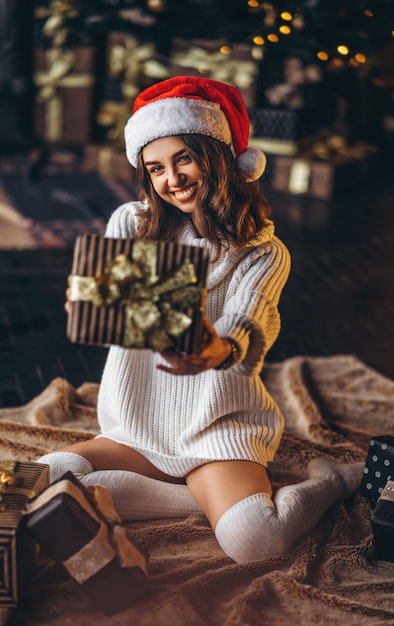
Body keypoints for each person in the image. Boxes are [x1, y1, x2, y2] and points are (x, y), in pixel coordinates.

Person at [37, 76, 364, 563]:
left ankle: (331, 481)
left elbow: (248, 324)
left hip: (216, 426)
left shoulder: (263, 252)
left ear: (217, 156)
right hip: (137, 423)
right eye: (156, 168)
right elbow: (110, 316)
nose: (173, 179)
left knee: (255, 540)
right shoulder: (131, 224)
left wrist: (219, 349)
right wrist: (86, 302)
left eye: (184, 158)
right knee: (41, 477)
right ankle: (202, 501)